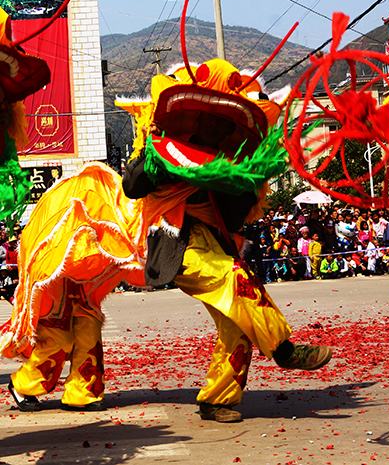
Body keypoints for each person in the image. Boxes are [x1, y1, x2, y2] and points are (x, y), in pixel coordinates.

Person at [122, 59, 332, 423]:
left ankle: (217, 399)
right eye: (208, 117)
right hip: (173, 239)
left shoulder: (229, 163)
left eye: (223, 122)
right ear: (194, 116)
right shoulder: (159, 146)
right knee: (234, 278)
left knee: (237, 324)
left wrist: (242, 178)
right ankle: (283, 349)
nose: (215, 126)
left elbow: (234, 217)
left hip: (214, 242)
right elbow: (131, 185)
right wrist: (158, 166)